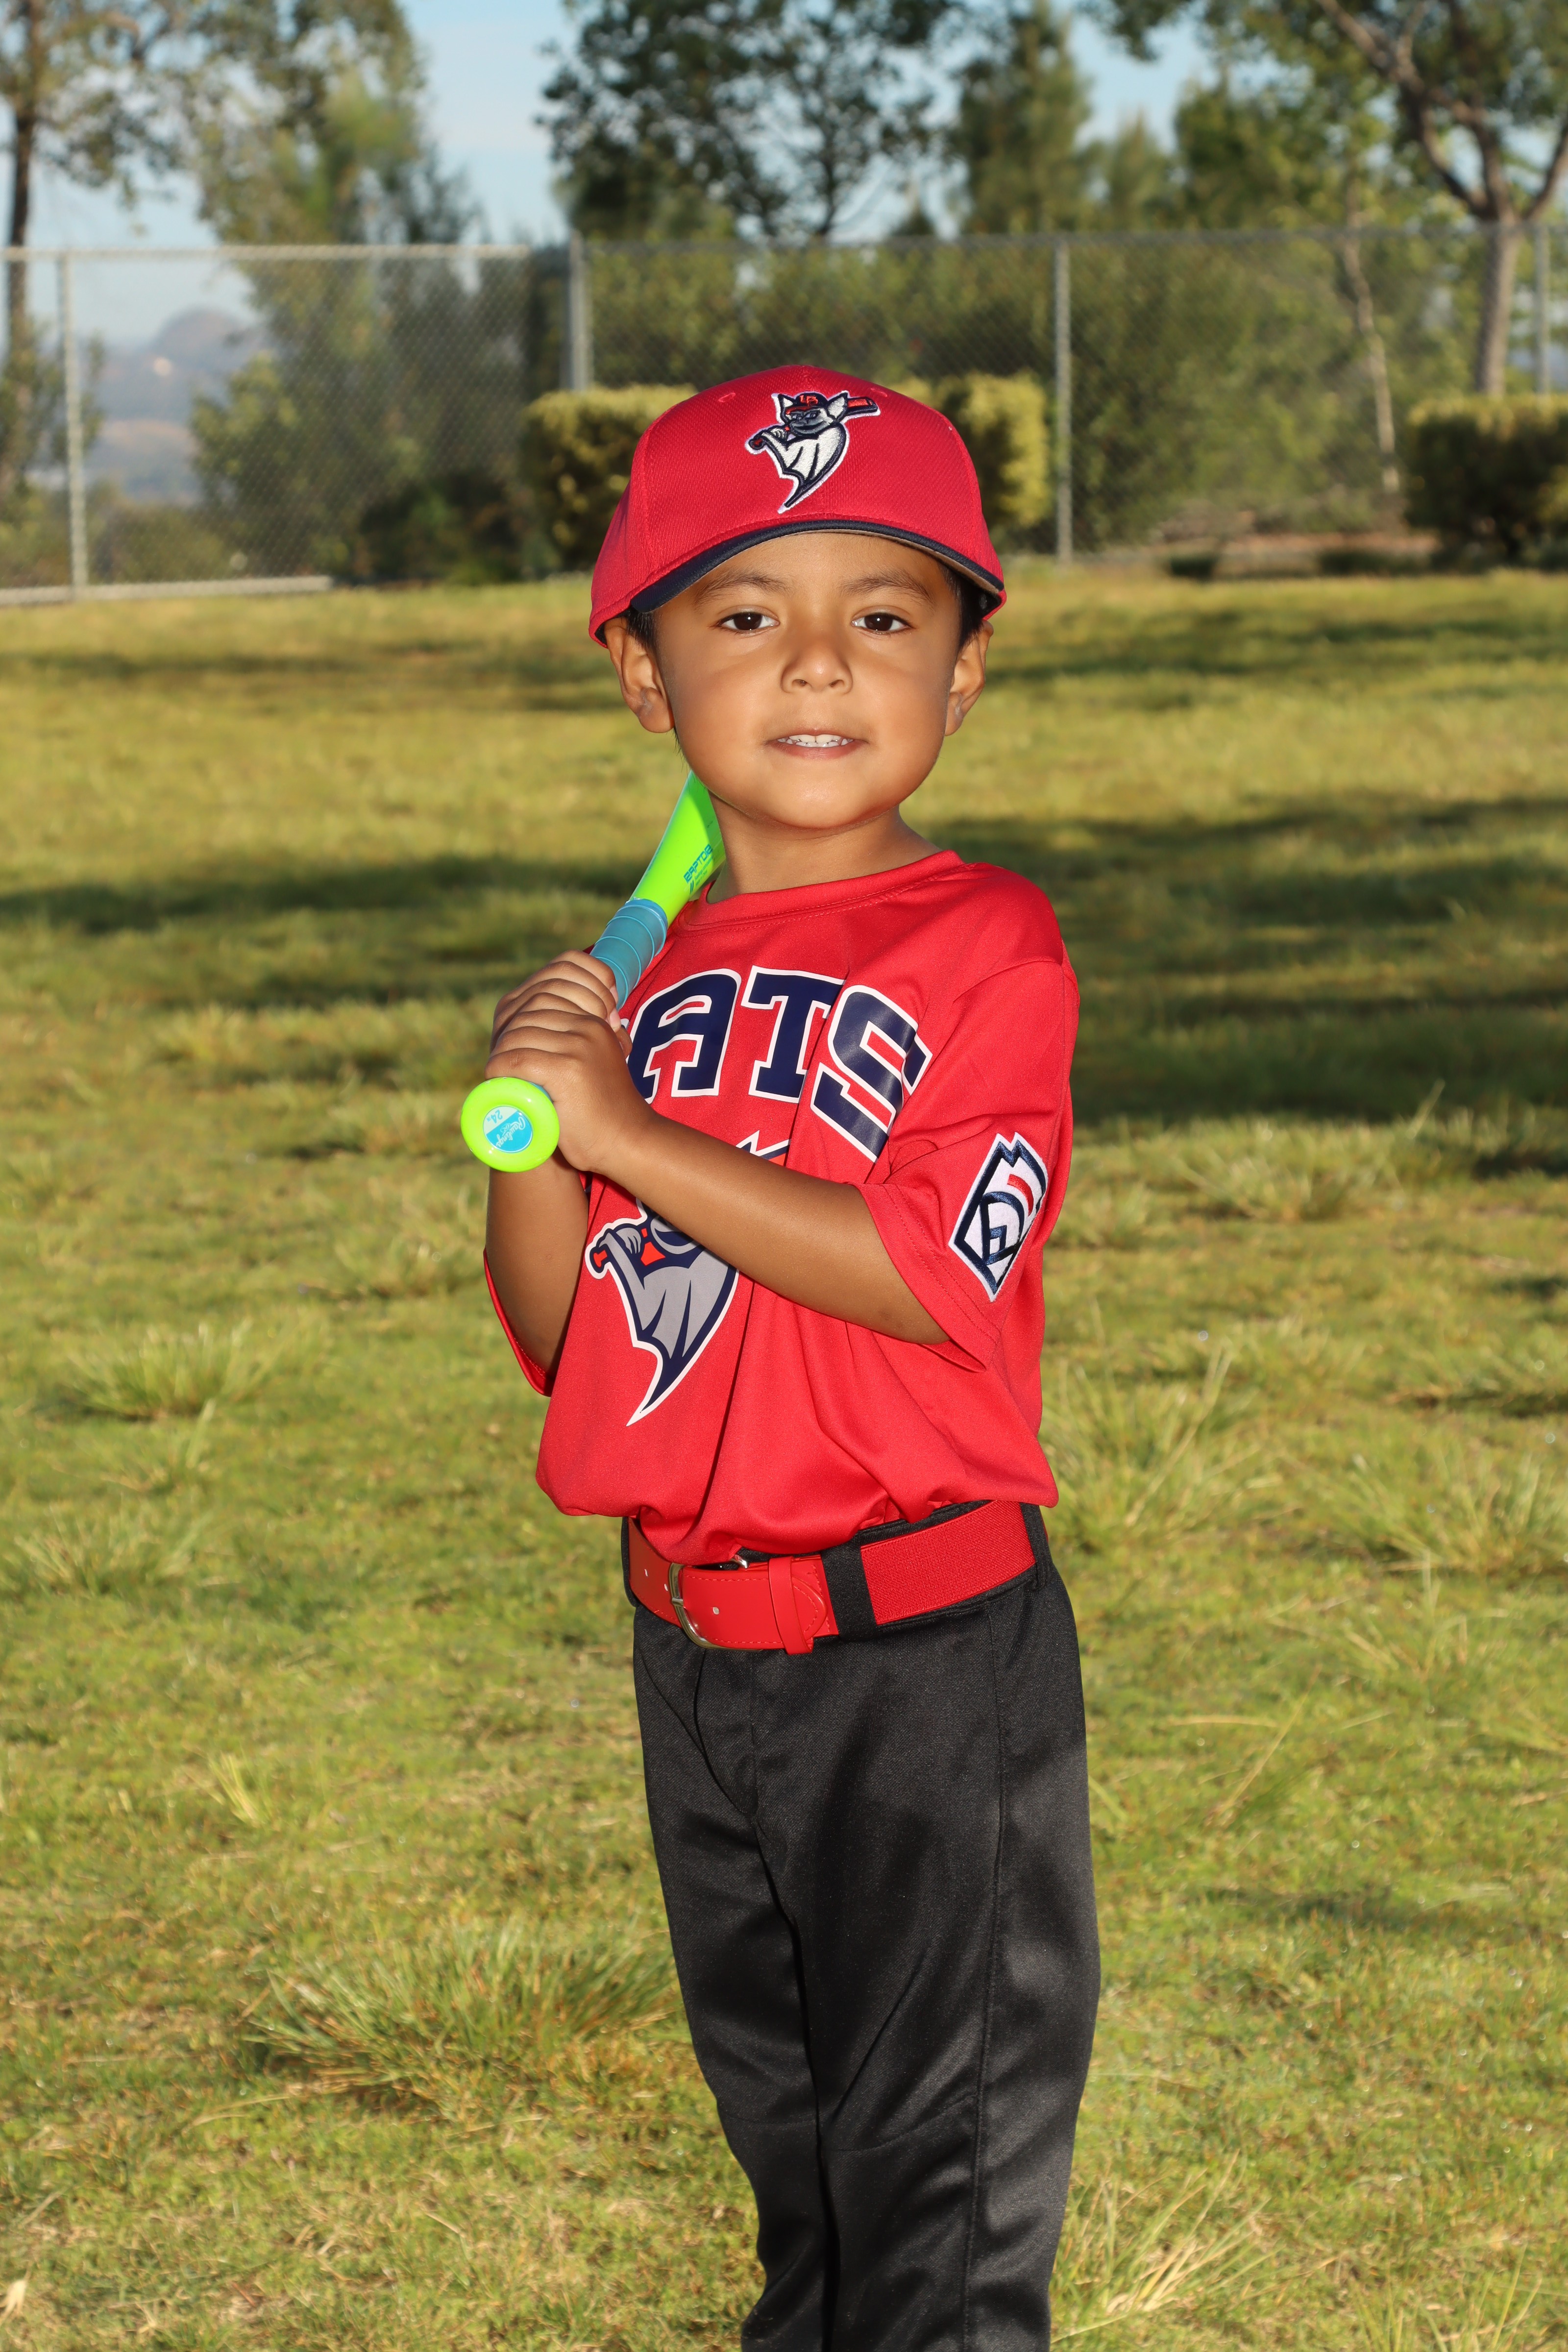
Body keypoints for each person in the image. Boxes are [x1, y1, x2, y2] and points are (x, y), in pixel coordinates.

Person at [482, 368, 1099, 2351]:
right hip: (697, 1652)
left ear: (964, 670)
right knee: (808, 2188)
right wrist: (540, 1132)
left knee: (937, 2212)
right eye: (744, 612)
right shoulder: (650, 987)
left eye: (884, 614)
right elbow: (570, 1338)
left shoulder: (986, 942)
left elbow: (924, 1273)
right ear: (644, 678)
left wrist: (628, 1131)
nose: (818, 661)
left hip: (922, 1664)